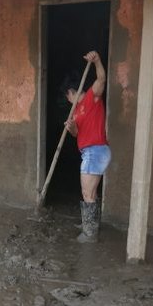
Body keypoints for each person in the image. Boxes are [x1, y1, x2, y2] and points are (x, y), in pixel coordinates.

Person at [61, 50, 110, 243]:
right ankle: (90, 224)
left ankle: (89, 235)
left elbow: (102, 79)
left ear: (71, 92)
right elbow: (76, 134)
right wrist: (72, 127)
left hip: (96, 151)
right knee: (91, 192)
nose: (67, 100)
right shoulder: (75, 112)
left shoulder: (91, 97)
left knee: (87, 193)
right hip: (89, 152)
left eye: (67, 96)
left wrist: (97, 61)